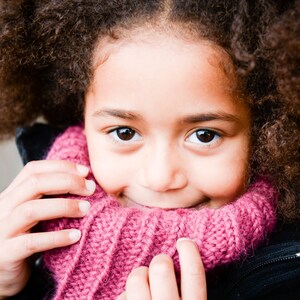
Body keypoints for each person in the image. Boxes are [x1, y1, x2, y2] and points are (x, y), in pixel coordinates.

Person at [0, 0, 299, 299]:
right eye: (125, 132)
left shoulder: (286, 279)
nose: (159, 178)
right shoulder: (37, 230)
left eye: (205, 135)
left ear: (266, 131)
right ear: (82, 115)